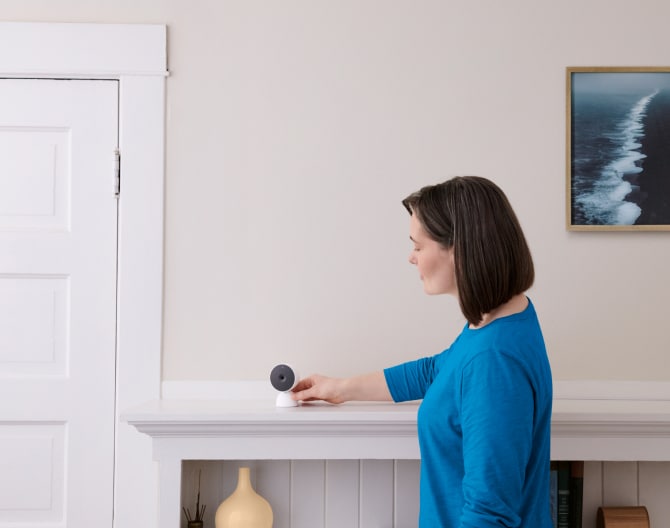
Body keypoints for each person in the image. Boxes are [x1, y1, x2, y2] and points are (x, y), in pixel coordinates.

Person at [291, 176, 553, 528]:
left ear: (458, 249)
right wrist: (339, 389)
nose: (411, 258)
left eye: (418, 245)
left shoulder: (493, 361)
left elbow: (489, 515)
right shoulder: (502, 323)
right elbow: (436, 372)